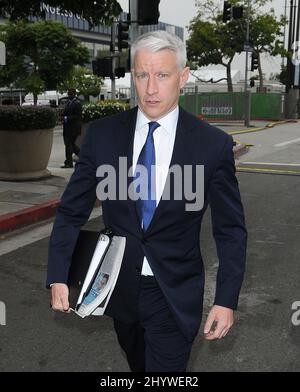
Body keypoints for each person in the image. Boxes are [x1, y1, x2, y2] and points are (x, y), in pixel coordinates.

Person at [47, 31, 247, 372]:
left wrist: (225, 300)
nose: (150, 88)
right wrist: (58, 275)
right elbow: (70, 212)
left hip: (173, 293)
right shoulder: (102, 136)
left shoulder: (212, 146)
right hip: (117, 288)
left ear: (183, 77)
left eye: (162, 75)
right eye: (142, 75)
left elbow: (230, 231)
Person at [60, 88, 82, 168]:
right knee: (70, 145)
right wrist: (63, 116)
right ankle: (82, 157)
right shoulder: (68, 103)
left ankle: (69, 162)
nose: (69, 95)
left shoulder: (77, 103)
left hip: (74, 128)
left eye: (70, 94)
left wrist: (66, 118)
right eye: (68, 94)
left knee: (69, 145)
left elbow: (77, 116)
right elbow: (67, 113)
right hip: (67, 128)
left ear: (74, 94)